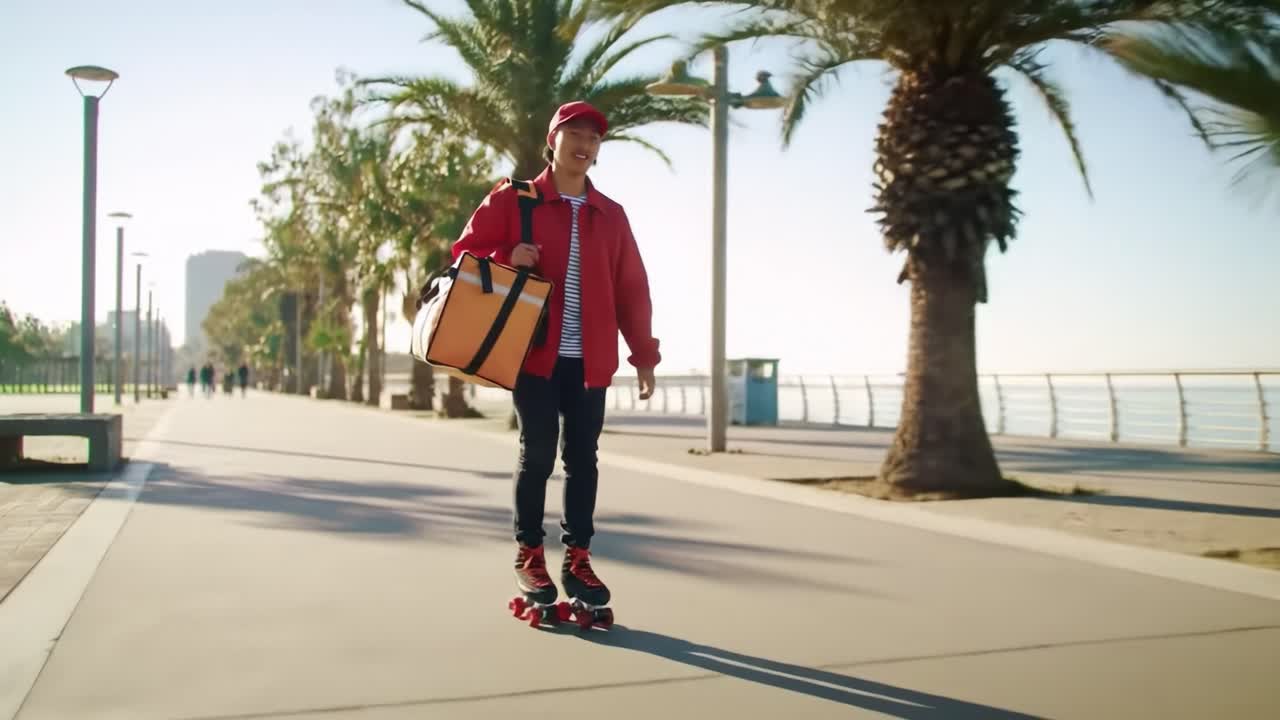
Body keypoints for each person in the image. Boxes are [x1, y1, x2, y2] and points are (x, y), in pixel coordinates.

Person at [452, 101, 660, 612]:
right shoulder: (515, 199)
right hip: (533, 353)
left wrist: (644, 354)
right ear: (553, 140)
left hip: (591, 359)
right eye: (575, 134)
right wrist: (506, 256)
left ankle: (577, 559)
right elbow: (464, 255)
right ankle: (529, 553)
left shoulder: (610, 215)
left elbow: (632, 289)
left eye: (593, 138)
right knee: (539, 452)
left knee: (583, 459)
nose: (584, 145)